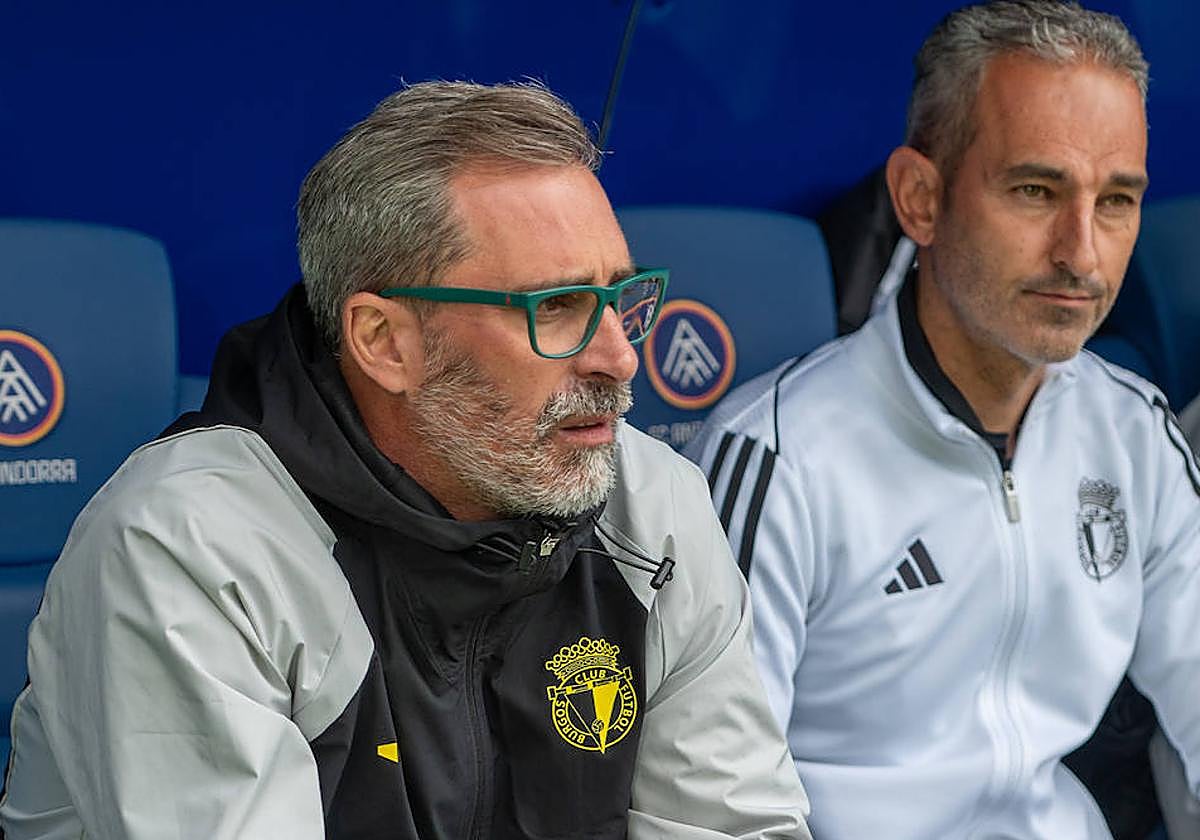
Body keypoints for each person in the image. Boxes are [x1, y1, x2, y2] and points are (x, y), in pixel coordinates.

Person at [0, 80, 811, 839]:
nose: (620, 358)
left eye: (620, 299)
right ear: (385, 341)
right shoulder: (189, 548)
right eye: (557, 306)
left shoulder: (652, 498)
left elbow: (736, 825)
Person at [685, 2, 1200, 838]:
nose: (1081, 253)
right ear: (920, 200)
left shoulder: (1134, 433)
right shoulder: (777, 459)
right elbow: (716, 814)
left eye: (1116, 201)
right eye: (1035, 191)